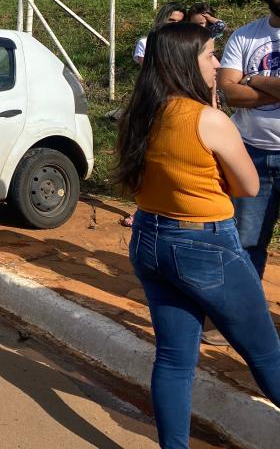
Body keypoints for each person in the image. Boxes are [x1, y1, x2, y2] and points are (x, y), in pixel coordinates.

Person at [114, 22, 280, 448]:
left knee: (173, 359)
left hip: (150, 239)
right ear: (186, 62)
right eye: (210, 54)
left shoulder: (139, 114)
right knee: (266, 354)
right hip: (205, 245)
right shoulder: (210, 120)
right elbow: (249, 186)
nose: (218, 62)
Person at [218, 0, 280, 278]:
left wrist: (251, 79)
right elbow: (229, 94)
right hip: (251, 155)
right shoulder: (245, 37)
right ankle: (248, 318)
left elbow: (238, 86)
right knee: (246, 243)